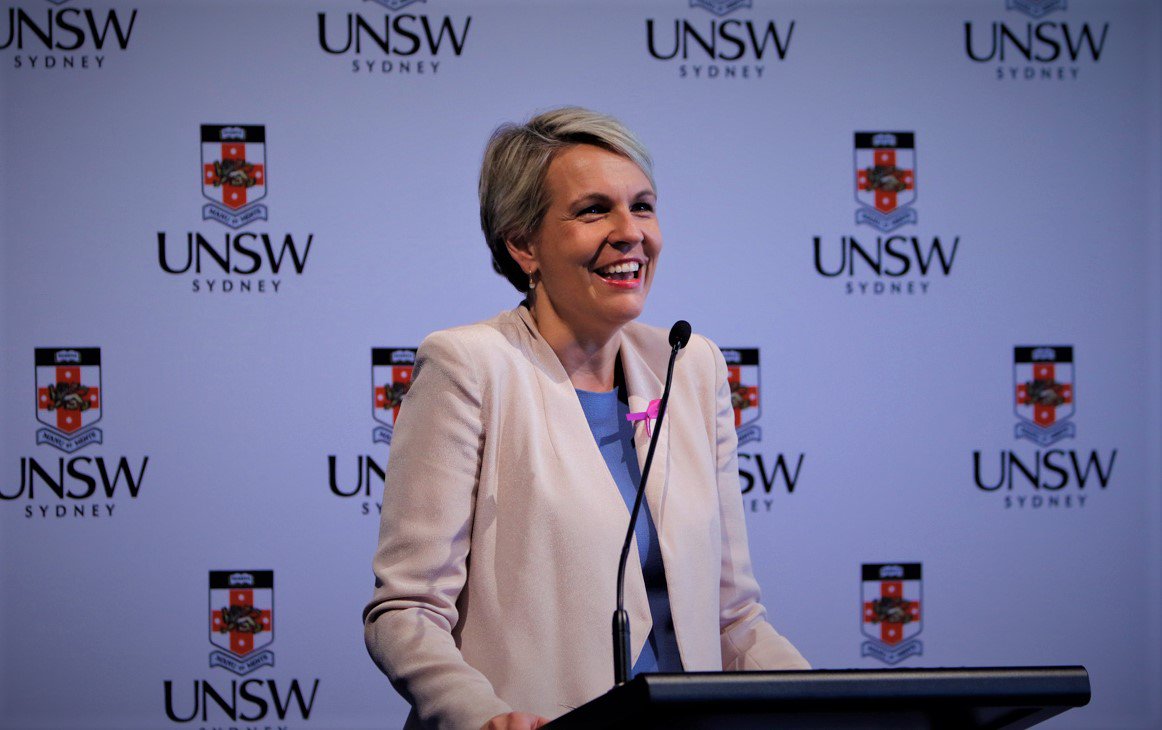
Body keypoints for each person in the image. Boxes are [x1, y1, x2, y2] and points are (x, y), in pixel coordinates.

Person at [363, 107, 809, 730]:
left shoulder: (690, 366)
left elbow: (734, 619)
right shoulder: (470, 366)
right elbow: (407, 611)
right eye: (594, 210)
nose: (630, 233)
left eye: (643, 207)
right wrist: (482, 716)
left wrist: (833, 706)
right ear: (523, 244)